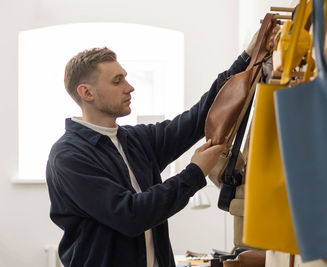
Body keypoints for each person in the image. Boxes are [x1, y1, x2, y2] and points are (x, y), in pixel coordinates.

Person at [46, 32, 258, 267]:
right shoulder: (69, 157)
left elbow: (199, 117)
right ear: (87, 93)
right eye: (117, 81)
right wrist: (195, 172)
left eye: (125, 78)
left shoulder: (136, 140)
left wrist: (248, 56)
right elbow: (131, 216)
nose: (130, 87)